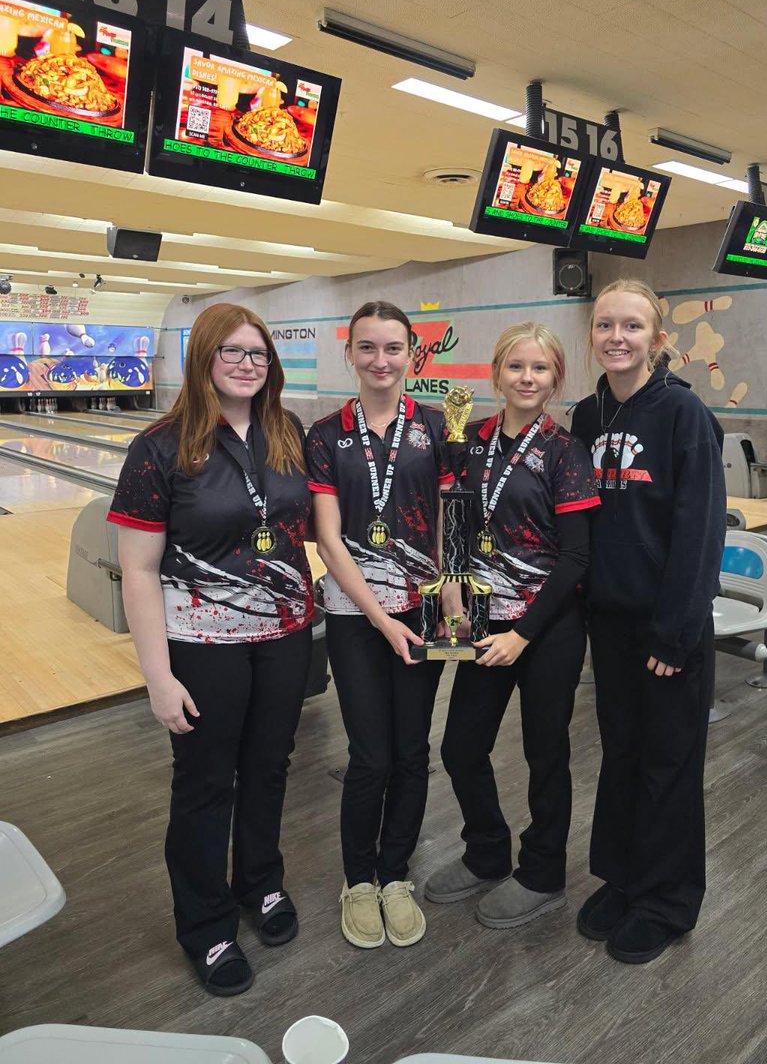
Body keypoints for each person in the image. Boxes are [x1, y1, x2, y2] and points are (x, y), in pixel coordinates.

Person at [109, 302, 315, 997]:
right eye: (231, 352)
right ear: (203, 359)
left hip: (285, 639)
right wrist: (157, 677)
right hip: (203, 645)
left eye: (257, 353)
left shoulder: (287, 433)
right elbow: (137, 569)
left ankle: (259, 884)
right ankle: (206, 925)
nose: (246, 364)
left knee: (268, 768)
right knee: (205, 784)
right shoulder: (160, 448)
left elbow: (319, 527)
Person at [570, 278, 726, 965]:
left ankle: (667, 900)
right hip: (610, 624)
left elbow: (699, 531)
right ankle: (624, 878)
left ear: (658, 340)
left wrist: (676, 630)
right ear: (593, 335)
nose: (617, 338)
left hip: (670, 629)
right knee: (623, 757)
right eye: (606, 325)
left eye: (632, 327)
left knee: (668, 763)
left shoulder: (682, 416)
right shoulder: (585, 416)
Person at [425, 323, 599, 928]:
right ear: (497, 374)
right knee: (461, 747)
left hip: (544, 629)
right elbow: (455, 521)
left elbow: (577, 556)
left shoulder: (564, 451)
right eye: (517, 367)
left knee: (544, 752)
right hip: (481, 623)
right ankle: (487, 852)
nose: (528, 378)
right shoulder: (468, 439)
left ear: (556, 379)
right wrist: (451, 590)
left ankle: (544, 871)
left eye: (541, 369)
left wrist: (523, 632)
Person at [306, 300, 454, 950]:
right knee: (370, 755)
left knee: (413, 752)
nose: (380, 360)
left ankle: (396, 876)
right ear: (351, 354)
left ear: (412, 354)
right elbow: (330, 542)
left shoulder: (434, 426)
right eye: (367, 347)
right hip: (356, 617)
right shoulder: (325, 434)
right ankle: (357, 880)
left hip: (421, 611)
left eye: (393, 348)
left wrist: (452, 606)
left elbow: (449, 526)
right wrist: (378, 617)